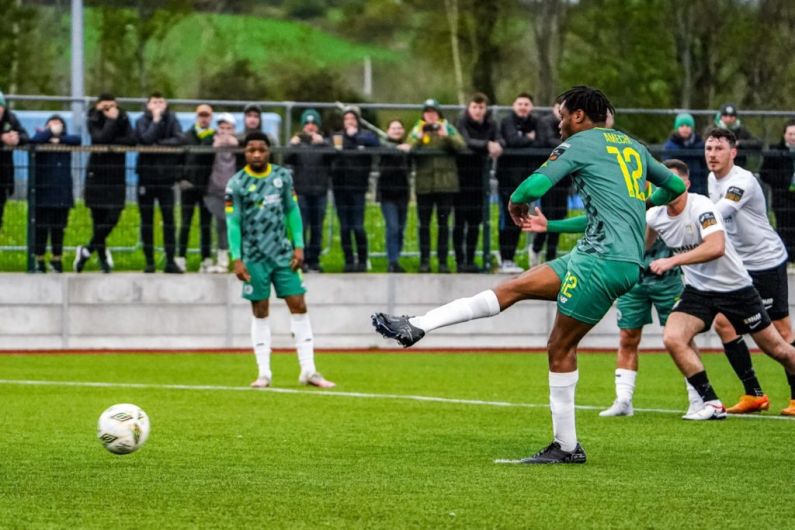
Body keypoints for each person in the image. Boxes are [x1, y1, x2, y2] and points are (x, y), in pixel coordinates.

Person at [373, 86, 686, 463]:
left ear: (580, 116)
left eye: (562, 115)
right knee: (515, 286)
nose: (558, 123)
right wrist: (639, 204)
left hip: (601, 261)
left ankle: (567, 447)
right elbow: (675, 185)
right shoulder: (632, 146)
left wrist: (515, 201)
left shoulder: (580, 144)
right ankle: (417, 325)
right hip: (600, 255)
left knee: (559, 347)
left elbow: (533, 186)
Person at [646, 157, 795, 419]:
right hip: (698, 291)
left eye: (673, 181)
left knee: (778, 349)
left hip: (736, 290)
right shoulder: (654, 215)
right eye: (662, 182)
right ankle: (711, 403)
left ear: (687, 184)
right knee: (673, 337)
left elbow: (716, 247)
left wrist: (672, 260)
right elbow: (641, 245)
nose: (667, 187)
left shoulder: (701, 205)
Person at [226, 131, 334, 389]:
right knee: (260, 310)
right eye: (251, 150)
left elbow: (292, 210)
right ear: (245, 152)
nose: (256, 154)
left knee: (298, 304)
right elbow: (233, 221)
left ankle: (309, 370)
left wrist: (299, 246)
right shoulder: (236, 183)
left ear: (268, 151)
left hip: (283, 254)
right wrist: (236, 257)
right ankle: (264, 373)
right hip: (253, 257)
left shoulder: (282, 177)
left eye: (261, 149)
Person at [705, 128, 794, 414]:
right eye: (708, 149)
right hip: (740, 266)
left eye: (719, 149)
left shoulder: (742, 181)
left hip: (766, 262)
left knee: (780, 330)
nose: (712, 155)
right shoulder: (710, 178)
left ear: (733, 152)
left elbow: (721, 212)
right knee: (723, 323)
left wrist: (688, 222)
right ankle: (754, 394)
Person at [75, 93, 135, 273]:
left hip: (116, 174)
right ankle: (102, 261)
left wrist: (113, 134)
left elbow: (131, 140)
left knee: (113, 215)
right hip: (97, 173)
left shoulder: (123, 117)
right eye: (105, 105)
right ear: (99, 104)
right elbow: (99, 138)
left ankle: (86, 250)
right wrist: (110, 122)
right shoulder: (93, 117)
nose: (109, 109)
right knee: (98, 218)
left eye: (112, 105)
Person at [407, 98, 465, 273]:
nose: (430, 116)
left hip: (446, 185)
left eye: (433, 112)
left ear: (438, 114)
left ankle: (442, 261)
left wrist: (445, 136)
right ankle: (424, 260)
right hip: (424, 186)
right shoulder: (417, 129)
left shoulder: (447, 127)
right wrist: (420, 136)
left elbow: (461, 146)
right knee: (423, 225)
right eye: (427, 112)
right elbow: (408, 148)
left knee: (443, 225)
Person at [135, 92, 184, 273]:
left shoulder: (172, 119)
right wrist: (155, 121)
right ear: (148, 105)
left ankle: (170, 260)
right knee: (146, 220)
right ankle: (149, 261)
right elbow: (145, 139)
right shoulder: (141, 120)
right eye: (154, 102)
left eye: (161, 102)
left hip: (166, 178)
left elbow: (180, 139)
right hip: (146, 178)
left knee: (169, 220)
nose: (158, 105)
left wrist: (160, 144)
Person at [454, 92, 502, 273]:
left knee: (475, 223)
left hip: (480, 181)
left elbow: (500, 139)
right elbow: (464, 142)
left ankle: (471, 259)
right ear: (469, 108)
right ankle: (459, 261)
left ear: (485, 109)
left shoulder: (491, 123)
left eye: (481, 107)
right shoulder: (461, 122)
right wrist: (486, 145)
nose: (478, 111)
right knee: (459, 222)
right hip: (460, 178)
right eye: (474, 107)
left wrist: (496, 145)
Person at [498, 93, 544, 273]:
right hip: (508, 179)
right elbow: (512, 140)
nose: (523, 107)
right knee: (507, 218)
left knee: (521, 218)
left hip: (527, 180)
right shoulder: (506, 121)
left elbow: (541, 142)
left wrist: (524, 138)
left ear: (531, 107)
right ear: (514, 105)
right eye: (520, 103)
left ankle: (512, 257)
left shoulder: (536, 122)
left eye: (526, 104)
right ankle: (505, 258)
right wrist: (528, 138)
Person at [29, 115, 81, 273]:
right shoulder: (41, 140)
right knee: (41, 228)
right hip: (43, 193)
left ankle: (57, 259)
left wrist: (59, 140)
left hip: (62, 194)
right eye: (52, 123)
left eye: (58, 124)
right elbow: (33, 140)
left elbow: (77, 139)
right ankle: (39, 259)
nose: (56, 126)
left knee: (59, 228)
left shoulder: (66, 141)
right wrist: (49, 133)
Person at [331, 106, 379, 272]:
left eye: (352, 118)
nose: (349, 122)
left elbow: (375, 143)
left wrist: (356, 137)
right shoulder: (337, 137)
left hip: (358, 187)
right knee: (344, 227)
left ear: (357, 120)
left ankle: (363, 259)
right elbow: (331, 152)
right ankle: (349, 260)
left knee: (358, 226)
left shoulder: (365, 136)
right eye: (346, 119)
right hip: (340, 188)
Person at [285, 109, 332, 272]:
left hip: (320, 192)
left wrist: (324, 144)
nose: (310, 127)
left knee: (317, 228)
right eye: (307, 123)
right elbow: (285, 159)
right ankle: (299, 260)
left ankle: (314, 261)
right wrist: (292, 145)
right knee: (300, 227)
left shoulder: (324, 143)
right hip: (301, 192)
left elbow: (334, 157)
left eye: (313, 124)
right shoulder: (298, 144)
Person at [177, 104, 215, 273]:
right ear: (196, 117)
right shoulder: (186, 136)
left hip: (207, 187)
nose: (204, 118)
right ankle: (181, 256)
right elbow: (178, 160)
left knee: (206, 225)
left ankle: (206, 258)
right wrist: (181, 179)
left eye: (207, 115)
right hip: (189, 187)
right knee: (185, 222)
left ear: (211, 117)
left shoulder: (214, 137)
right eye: (201, 115)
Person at [203, 112, 239, 273]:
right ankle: (222, 260)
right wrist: (213, 147)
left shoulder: (240, 143)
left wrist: (236, 145)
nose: (224, 131)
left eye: (228, 128)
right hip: (216, 190)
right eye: (222, 127)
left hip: (236, 192)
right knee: (221, 226)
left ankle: (242, 259)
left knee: (238, 226)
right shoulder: (210, 141)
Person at [378, 119, 412, 273]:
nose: (396, 131)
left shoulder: (408, 147)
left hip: (402, 193)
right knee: (392, 227)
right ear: (387, 131)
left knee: (400, 229)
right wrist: (397, 148)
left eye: (399, 128)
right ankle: (392, 261)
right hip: (387, 194)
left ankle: (396, 258)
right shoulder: (383, 145)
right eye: (393, 128)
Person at [760, 119, 795, 262]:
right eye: (790, 134)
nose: (793, 137)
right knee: (784, 229)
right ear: (784, 135)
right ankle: (785, 258)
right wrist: (784, 181)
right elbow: (765, 173)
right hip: (782, 199)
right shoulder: (775, 152)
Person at [0, 90, 29, 231]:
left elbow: (25, 136)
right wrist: (2, 138)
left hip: (3, 175)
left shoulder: (10, 118)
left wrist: (17, 139)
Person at [662, 113, 707, 195]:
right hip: (678, 190)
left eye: (688, 126)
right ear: (676, 128)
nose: (685, 128)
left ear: (692, 128)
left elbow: (704, 168)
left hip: (698, 188)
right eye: (682, 125)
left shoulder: (700, 145)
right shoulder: (670, 146)